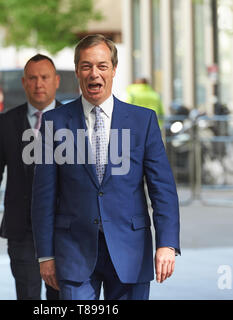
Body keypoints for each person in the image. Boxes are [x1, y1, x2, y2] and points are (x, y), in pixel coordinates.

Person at [31, 34, 180, 300]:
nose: (94, 74)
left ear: (113, 70)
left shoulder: (142, 121)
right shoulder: (55, 122)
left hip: (131, 250)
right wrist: (45, 255)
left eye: (102, 66)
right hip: (74, 251)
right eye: (86, 66)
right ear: (77, 71)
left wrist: (167, 243)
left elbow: (163, 189)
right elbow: (43, 196)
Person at [0, 54, 60, 300]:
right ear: (24, 83)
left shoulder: (74, 121)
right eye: (32, 78)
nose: (38, 84)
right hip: (22, 230)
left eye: (44, 77)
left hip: (64, 229)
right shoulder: (7, 122)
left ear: (56, 81)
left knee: (62, 298)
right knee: (27, 295)